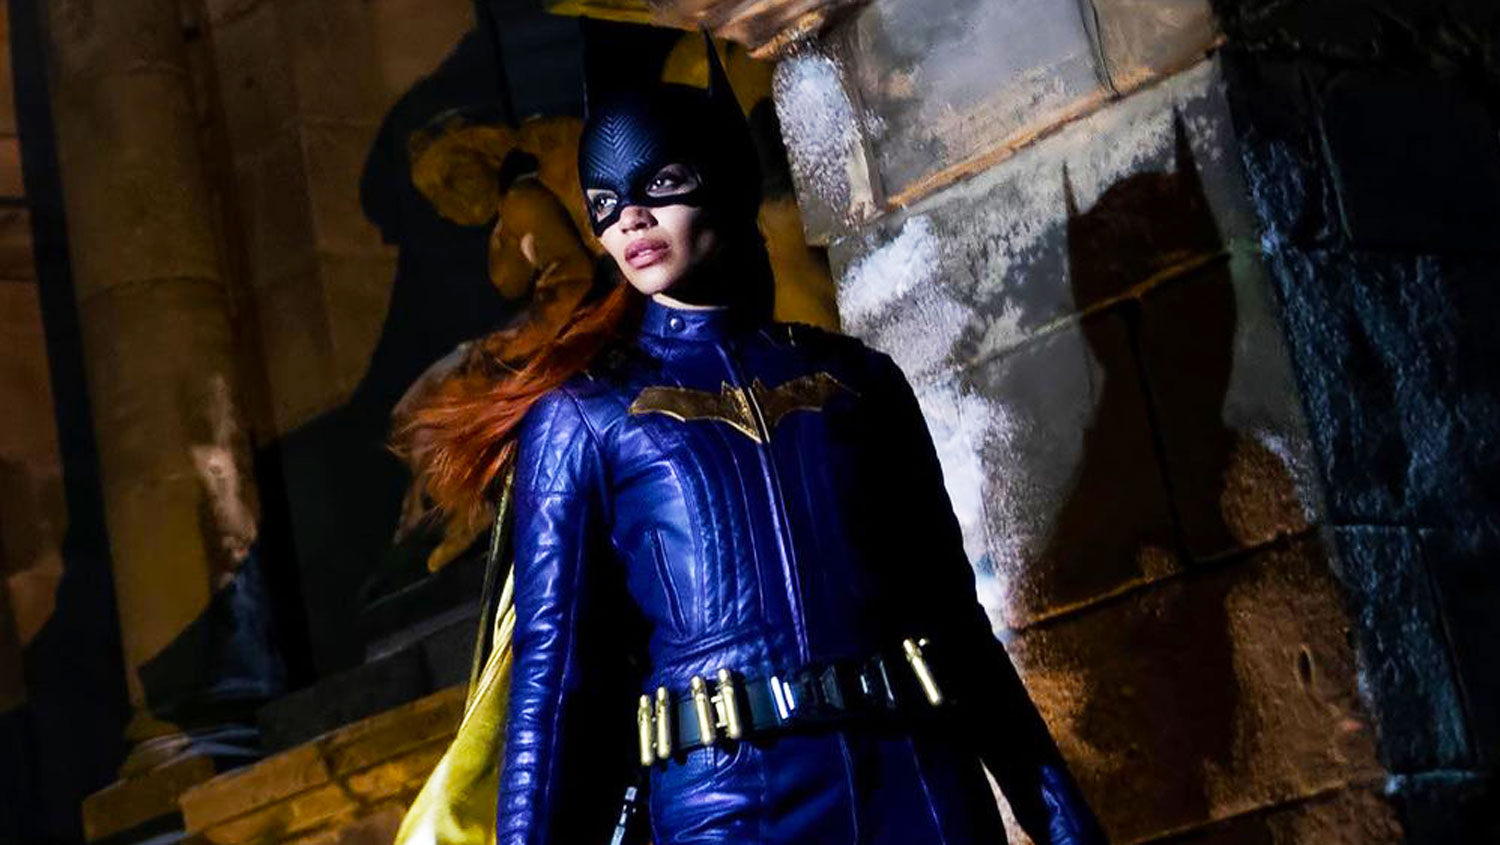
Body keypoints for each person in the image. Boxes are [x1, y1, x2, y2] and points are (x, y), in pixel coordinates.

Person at [400, 37, 1105, 845]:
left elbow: (955, 626)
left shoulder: (858, 382)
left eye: (662, 182)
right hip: (729, 812)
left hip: (918, 789)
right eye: (603, 202)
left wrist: (1067, 825)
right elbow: (553, 685)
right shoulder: (584, 417)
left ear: (726, 181)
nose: (630, 217)